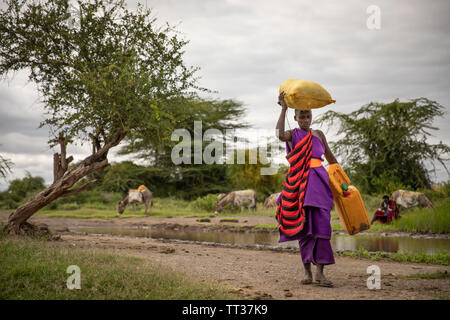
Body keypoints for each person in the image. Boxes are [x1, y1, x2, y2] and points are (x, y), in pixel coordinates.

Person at [275, 92, 337, 288]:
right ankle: (308, 273)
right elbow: (279, 135)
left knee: (323, 229)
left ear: (311, 117)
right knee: (305, 231)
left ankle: (321, 274)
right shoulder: (293, 134)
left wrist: (343, 182)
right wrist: (283, 108)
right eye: (301, 116)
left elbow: (331, 158)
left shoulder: (318, 134)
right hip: (300, 187)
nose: (305, 119)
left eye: (308, 115)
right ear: (295, 118)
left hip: (320, 184)